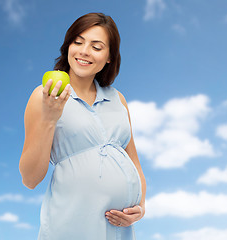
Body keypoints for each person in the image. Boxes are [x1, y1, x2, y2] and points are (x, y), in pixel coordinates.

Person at [19, 12, 146, 240]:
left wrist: (140, 207)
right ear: (68, 46)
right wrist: (50, 118)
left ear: (109, 57)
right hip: (71, 226)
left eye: (96, 47)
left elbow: (134, 162)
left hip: (118, 230)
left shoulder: (118, 100)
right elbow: (30, 179)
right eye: (78, 42)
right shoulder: (46, 96)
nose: (84, 51)